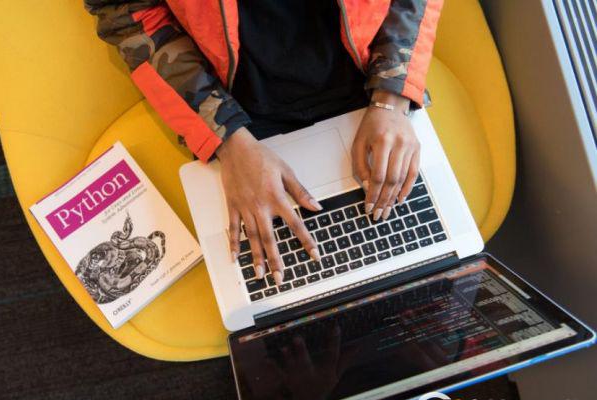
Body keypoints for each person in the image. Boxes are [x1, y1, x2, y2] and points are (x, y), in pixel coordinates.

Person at [85, 0, 442, 286]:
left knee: (430, 279)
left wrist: (392, 94)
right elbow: (124, 11)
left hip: (371, 85)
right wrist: (226, 137)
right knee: (282, 306)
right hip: (235, 113)